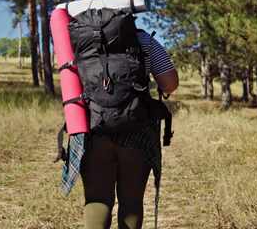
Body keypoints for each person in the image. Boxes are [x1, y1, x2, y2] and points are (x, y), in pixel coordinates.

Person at [61, 24, 178, 229]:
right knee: (131, 201)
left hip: (93, 129)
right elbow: (170, 84)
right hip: (137, 131)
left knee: (97, 199)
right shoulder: (146, 41)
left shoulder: (79, 41)